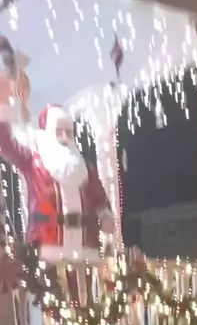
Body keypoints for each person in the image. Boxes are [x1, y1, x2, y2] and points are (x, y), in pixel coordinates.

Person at [0, 74, 114, 266]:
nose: (64, 137)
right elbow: (7, 145)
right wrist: (3, 109)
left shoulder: (85, 169)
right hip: (47, 249)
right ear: (48, 133)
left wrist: (105, 215)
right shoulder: (32, 162)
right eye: (58, 131)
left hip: (87, 248)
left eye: (68, 132)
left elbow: (99, 199)